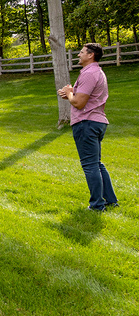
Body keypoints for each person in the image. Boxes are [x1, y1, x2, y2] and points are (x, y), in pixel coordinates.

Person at [57, 43, 118, 211]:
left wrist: (70, 93)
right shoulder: (94, 72)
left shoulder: (90, 74)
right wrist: (69, 94)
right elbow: (80, 99)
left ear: (91, 55)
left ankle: (97, 205)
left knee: (90, 165)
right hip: (95, 121)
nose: (78, 55)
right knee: (96, 164)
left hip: (86, 123)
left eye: (82, 52)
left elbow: (79, 102)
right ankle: (110, 200)